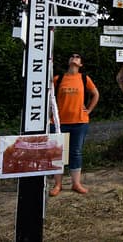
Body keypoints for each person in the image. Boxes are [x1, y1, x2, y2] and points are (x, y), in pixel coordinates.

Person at [49, 53, 99, 196]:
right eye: (72, 56)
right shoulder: (58, 79)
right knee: (57, 153)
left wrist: (88, 110)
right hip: (59, 123)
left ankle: (76, 184)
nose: (74, 57)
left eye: (77, 57)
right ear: (69, 61)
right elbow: (49, 98)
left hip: (79, 122)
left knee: (76, 152)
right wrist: (48, 116)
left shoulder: (84, 78)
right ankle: (57, 185)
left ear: (81, 64)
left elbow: (96, 94)